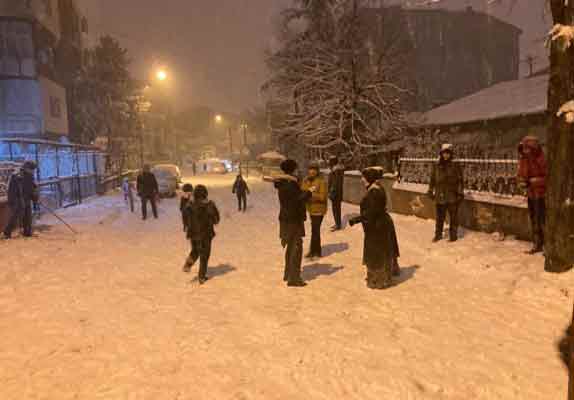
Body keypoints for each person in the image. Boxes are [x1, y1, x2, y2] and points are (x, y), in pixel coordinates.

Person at [349, 167, 400, 289]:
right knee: (382, 251)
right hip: (380, 224)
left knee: (376, 253)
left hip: (377, 226)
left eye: (364, 177)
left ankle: (379, 280)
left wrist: (356, 219)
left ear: (369, 178)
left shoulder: (374, 192)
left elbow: (371, 213)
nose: (362, 179)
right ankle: (382, 277)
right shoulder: (375, 188)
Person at [274, 159, 312, 287]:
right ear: (292, 170)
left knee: (291, 246)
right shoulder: (290, 184)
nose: (298, 170)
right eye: (296, 168)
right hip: (293, 219)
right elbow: (296, 201)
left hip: (286, 219)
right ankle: (294, 278)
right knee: (296, 247)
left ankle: (288, 273)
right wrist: (308, 193)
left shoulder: (285, 183)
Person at [182, 185, 220, 284]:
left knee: (195, 250)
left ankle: (188, 264)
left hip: (193, 234)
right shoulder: (209, 206)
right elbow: (216, 220)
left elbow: (184, 214)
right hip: (205, 234)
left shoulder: (189, 205)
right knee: (204, 255)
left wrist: (186, 226)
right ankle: (201, 277)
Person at [427, 144, 464, 242]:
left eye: (448, 153)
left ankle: (453, 235)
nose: (446, 155)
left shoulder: (455, 166)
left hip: (452, 195)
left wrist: (460, 193)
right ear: (441, 154)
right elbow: (432, 179)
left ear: (451, 154)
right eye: (444, 153)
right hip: (440, 195)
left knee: (453, 217)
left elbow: (460, 180)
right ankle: (438, 235)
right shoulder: (437, 165)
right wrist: (430, 190)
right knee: (439, 218)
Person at [517, 135, 547, 254]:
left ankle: (547, 245)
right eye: (524, 148)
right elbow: (520, 174)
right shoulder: (524, 159)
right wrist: (521, 182)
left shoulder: (541, 159)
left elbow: (547, 177)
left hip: (541, 194)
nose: (525, 151)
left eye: (527, 148)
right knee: (534, 220)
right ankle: (537, 244)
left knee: (543, 221)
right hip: (531, 194)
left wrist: (534, 181)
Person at [3, 161, 39, 239]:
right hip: (18, 200)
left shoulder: (30, 176)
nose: (33, 171)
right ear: (26, 168)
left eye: (33, 170)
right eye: (31, 169)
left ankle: (27, 232)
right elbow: (11, 190)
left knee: (28, 216)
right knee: (15, 217)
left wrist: (35, 196)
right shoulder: (16, 176)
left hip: (27, 199)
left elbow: (33, 188)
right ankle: (7, 232)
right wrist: (12, 201)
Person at [301, 162, 328, 258]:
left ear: (317, 171)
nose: (312, 172)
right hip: (311, 209)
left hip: (319, 209)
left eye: (314, 170)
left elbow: (323, 197)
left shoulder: (321, 182)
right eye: (310, 169)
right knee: (314, 230)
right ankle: (314, 250)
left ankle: (316, 252)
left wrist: (311, 195)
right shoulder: (306, 180)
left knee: (315, 230)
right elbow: (302, 192)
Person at [328, 156, 345, 231]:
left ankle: (338, 225)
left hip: (335, 194)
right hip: (336, 193)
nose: (329, 163)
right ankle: (337, 223)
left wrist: (331, 193)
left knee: (336, 209)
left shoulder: (336, 171)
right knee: (336, 209)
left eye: (330, 161)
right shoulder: (336, 170)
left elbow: (335, 184)